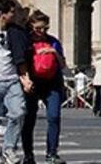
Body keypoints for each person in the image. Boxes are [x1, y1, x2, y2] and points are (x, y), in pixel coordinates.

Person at [0, 0, 33, 164]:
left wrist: (25, 79)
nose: (15, 14)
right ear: (2, 14)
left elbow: (20, 58)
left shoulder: (16, 32)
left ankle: (9, 148)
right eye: (12, 11)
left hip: (11, 80)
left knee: (19, 112)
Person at [21, 10, 67, 164]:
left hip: (52, 83)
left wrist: (54, 52)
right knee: (29, 119)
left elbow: (63, 65)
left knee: (54, 117)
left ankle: (52, 153)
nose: (42, 32)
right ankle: (28, 154)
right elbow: (21, 64)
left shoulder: (53, 41)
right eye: (38, 28)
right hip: (32, 83)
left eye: (45, 28)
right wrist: (25, 81)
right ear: (31, 26)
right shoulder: (26, 41)